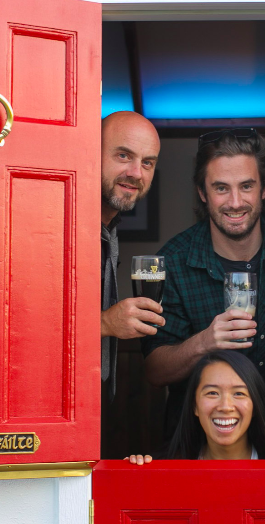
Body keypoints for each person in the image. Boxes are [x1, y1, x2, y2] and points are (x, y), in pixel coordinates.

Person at [141, 128, 265, 449]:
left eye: (246, 186)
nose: (235, 202)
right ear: (203, 193)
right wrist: (204, 342)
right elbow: (154, 370)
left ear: (263, 189)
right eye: (221, 188)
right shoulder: (172, 261)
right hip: (203, 444)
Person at [126, 351, 265, 464]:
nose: (225, 406)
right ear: (194, 405)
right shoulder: (167, 468)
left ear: (255, 406)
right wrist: (134, 474)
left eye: (239, 393)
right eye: (212, 393)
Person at [100, 111, 164, 400]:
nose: (137, 173)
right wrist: (104, 323)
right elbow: (19, 322)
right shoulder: (58, 223)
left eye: (147, 162)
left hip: (93, 403)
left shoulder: (109, 227)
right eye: (124, 155)